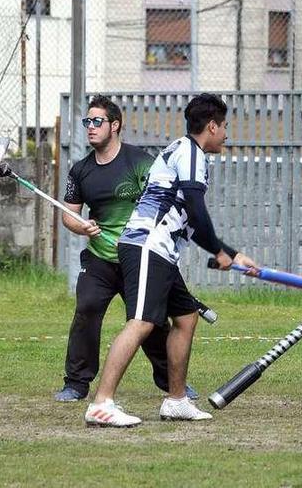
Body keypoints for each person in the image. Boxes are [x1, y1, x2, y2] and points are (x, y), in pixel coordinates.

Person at [84, 93, 259, 427]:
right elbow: (196, 211)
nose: (226, 134)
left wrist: (232, 254)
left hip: (160, 248)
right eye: (224, 127)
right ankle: (101, 403)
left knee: (186, 317)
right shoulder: (190, 154)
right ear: (211, 126)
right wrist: (221, 254)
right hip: (148, 246)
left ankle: (176, 400)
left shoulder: (183, 151)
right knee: (141, 321)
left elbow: (187, 220)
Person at [54, 96, 199, 402]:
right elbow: (68, 214)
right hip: (100, 257)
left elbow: (160, 200)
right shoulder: (80, 170)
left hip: (138, 255)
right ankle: (76, 383)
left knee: (150, 320)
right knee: (87, 309)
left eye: (97, 122)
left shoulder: (140, 162)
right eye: (87, 122)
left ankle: (171, 383)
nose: (90, 128)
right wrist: (80, 226)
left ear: (115, 125)